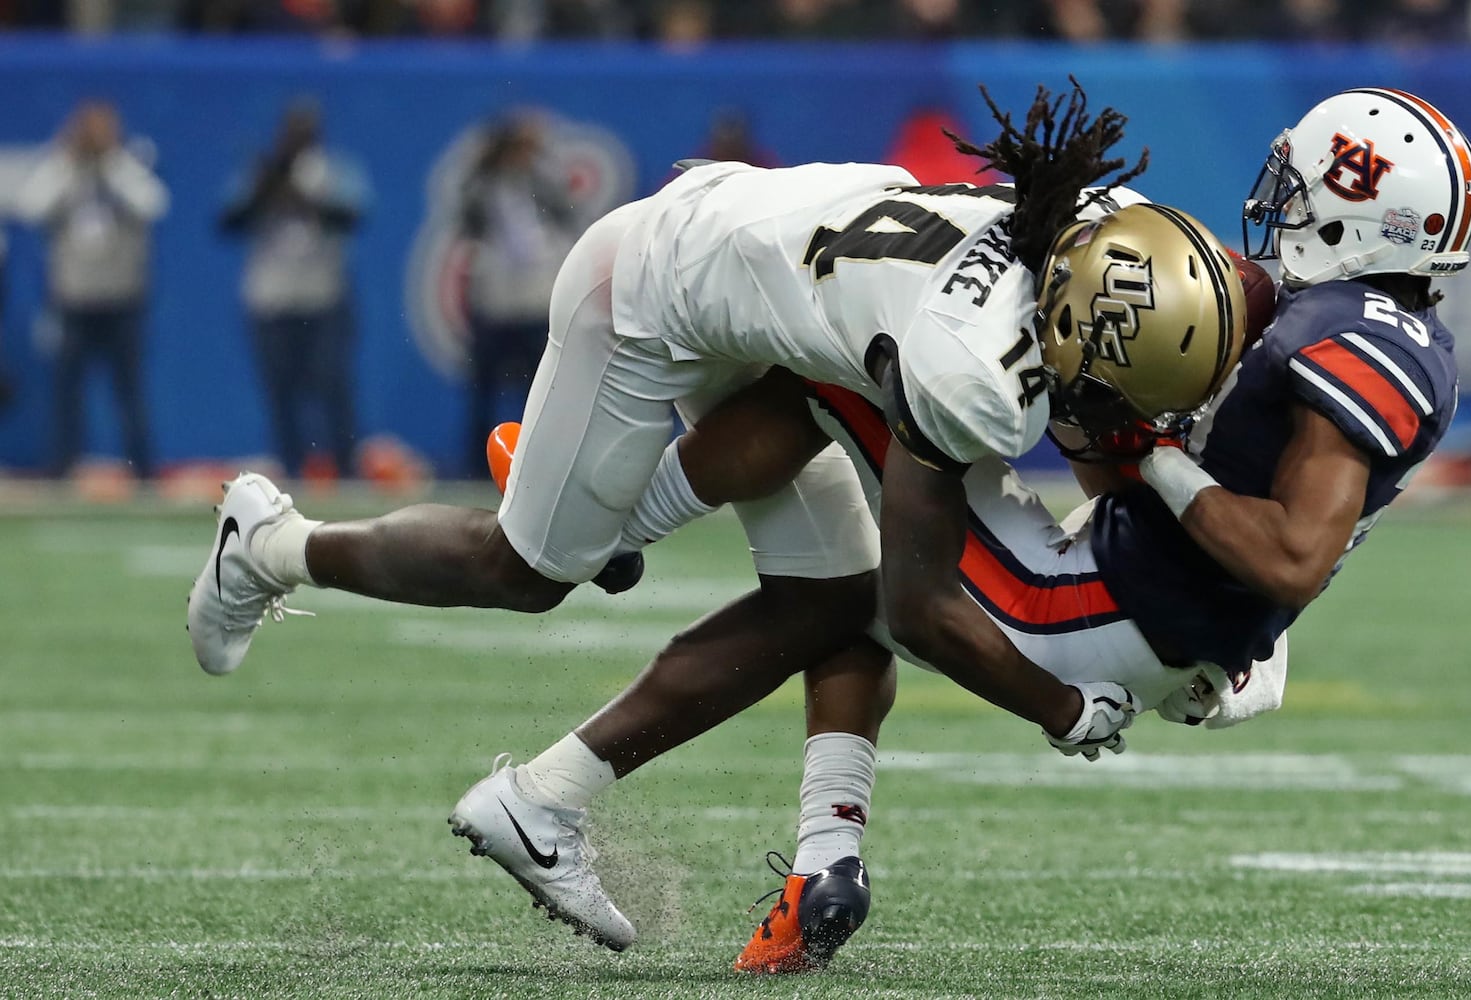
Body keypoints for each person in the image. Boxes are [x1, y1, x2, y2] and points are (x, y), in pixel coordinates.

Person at [184, 81, 1232, 947]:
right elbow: (923, 609)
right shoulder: (968, 374)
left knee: (832, 595)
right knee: (528, 570)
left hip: (780, 273)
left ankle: (580, 800)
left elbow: (1069, 430)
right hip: (654, 289)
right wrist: (1062, 710)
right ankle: (271, 543)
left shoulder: (1098, 239)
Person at [462, 85, 1471, 973]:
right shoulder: (1360, 324)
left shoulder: (1340, 338)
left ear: (1359, 219)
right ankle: (823, 864)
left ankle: (618, 539)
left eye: (1304, 192)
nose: (1280, 205)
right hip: (1157, 607)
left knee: (846, 365)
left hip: (1084, 604)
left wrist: (1148, 460)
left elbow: (1293, 554)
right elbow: (1227, 502)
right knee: (853, 585)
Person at [16, 100, 167, 481]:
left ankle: (143, 471)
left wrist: (111, 161)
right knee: (67, 393)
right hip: (73, 300)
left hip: (122, 300)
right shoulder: (64, 170)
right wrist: (67, 159)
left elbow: (153, 203)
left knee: (129, 393)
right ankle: (62, 469)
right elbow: (30, 206)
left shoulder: (126, 167)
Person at [220, 100, 368, 482]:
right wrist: (267, 189)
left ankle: (346, 468)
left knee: (331, 385)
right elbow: (229, 221)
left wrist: (306, 198)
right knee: (280, 390)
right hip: (271, 298)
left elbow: (353, 215)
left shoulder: (333, 170)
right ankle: (291, 468)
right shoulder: (263, 173)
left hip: (323, 297)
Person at [455, 112, 578, 476]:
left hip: (535, 301)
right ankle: (477, 468)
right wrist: (494, 157)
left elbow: (566, 211)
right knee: (484, 391)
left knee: (540, 390)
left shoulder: (541, 181)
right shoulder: (484, 185)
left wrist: (534, 162)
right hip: (495, 302)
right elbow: (466, 212)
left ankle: (540, 466)